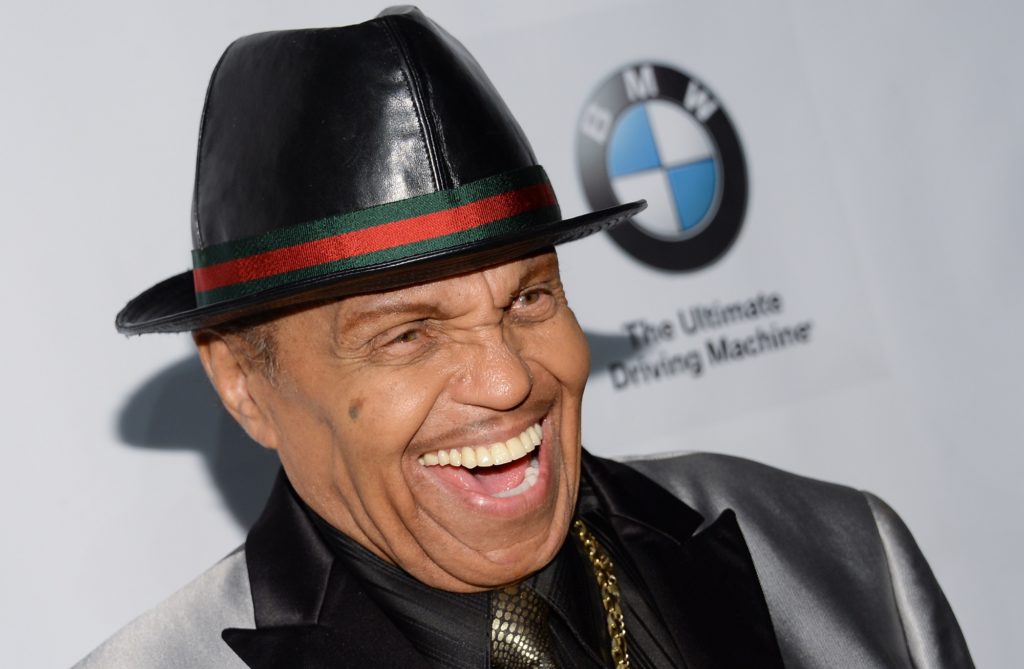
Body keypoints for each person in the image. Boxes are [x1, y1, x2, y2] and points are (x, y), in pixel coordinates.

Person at [76, 7, 973, 668]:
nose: (507, 379)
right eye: (408, 334)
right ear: (243, 380)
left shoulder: (846, 556)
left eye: (530, 297)